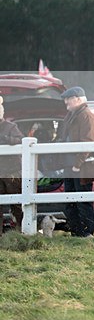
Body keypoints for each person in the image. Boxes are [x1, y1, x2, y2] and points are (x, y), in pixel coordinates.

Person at [56, 86, 94, 237]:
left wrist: (77, 164)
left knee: (82, 200)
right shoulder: (73, 115)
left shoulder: (85, 116)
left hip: (82, 166)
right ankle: (77, 232)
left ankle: (86, 233)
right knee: (71, 199)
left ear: (78, 99)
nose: (66, 101)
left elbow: (88, 142)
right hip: (73, 165)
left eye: (69, 98)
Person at [0, 96, 24, 232]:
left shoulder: (10, 127)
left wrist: (6, 139)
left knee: (16, 205)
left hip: (11, 172)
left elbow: (21, 140)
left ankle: (21, 230)